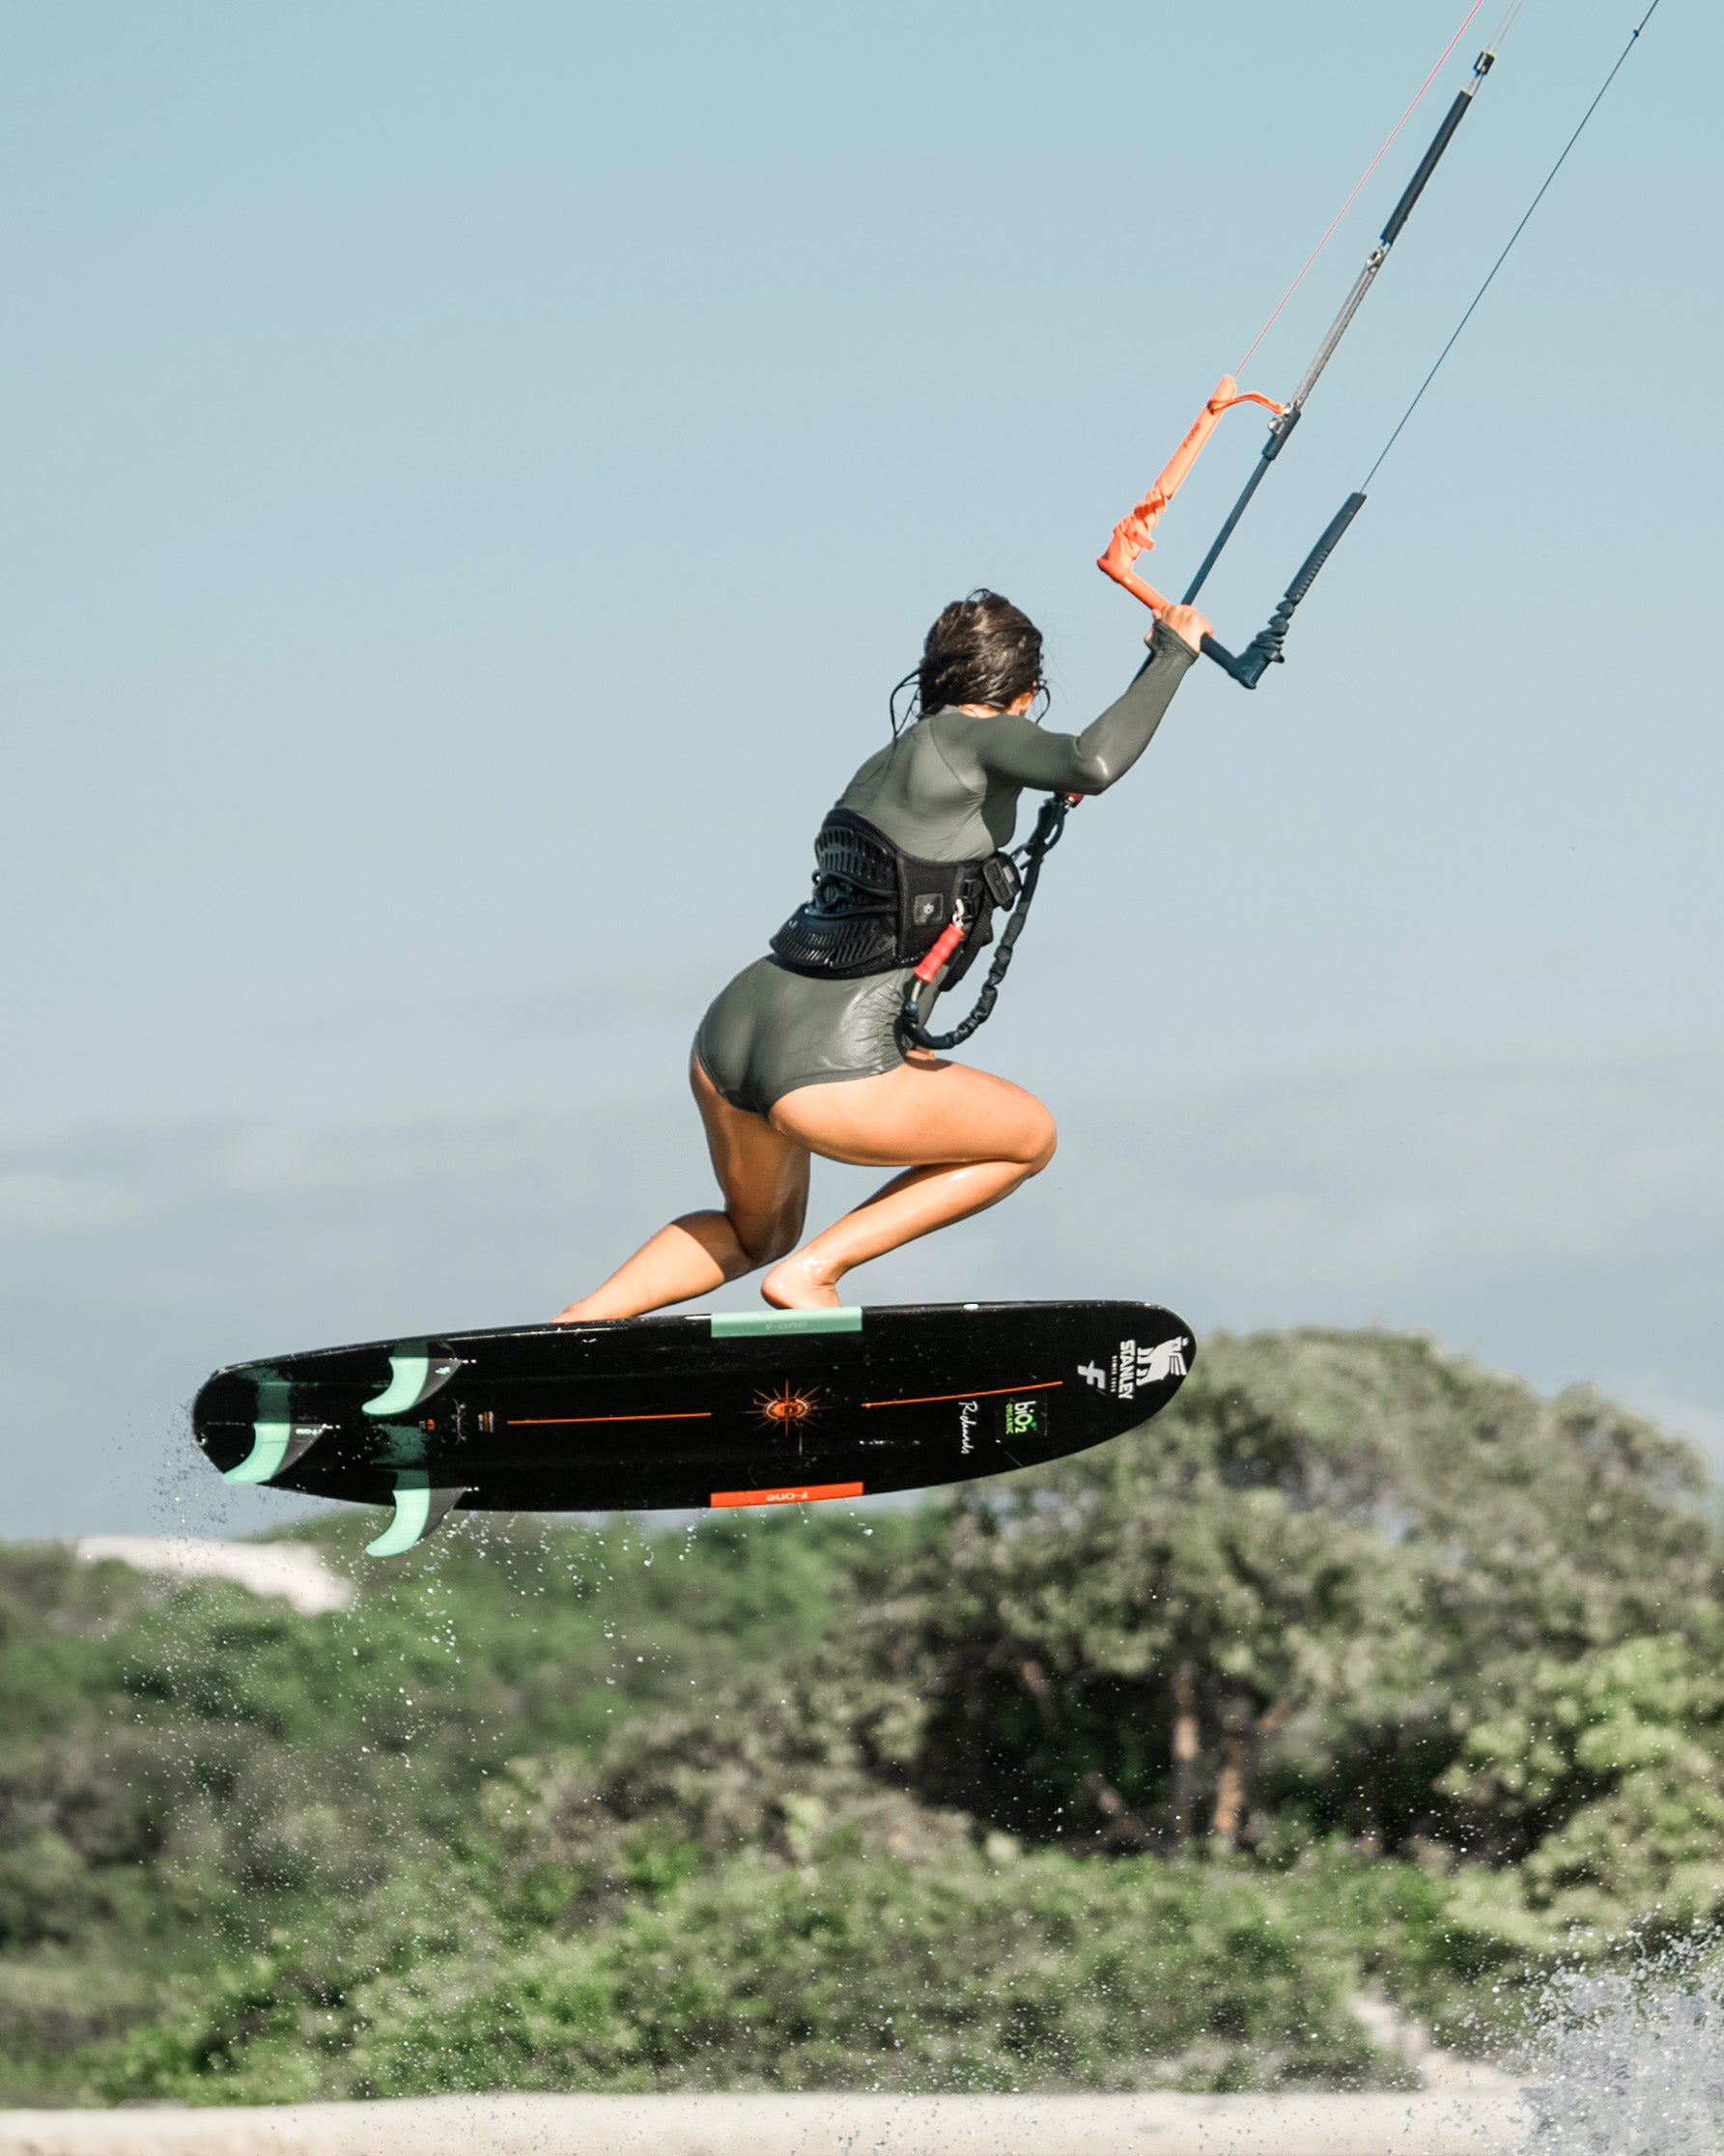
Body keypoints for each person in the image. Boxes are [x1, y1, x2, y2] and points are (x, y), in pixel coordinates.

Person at [554, 589, 1209, 1320]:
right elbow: (1091, 761)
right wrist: (1172, 653)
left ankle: (578, 1324)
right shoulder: (980, 733)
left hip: (731, 1034)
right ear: (1024, 693)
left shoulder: (887, 760)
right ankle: (814, 1273)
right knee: (1028, 1137)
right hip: (825, 1058)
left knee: (752, 1232)